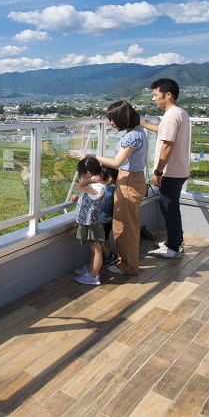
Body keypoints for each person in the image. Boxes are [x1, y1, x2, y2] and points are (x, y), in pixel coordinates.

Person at [93, 101, 149, 275]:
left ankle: (129, 266)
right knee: (129, 225)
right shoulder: (138, 132)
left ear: (122, 117)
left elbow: (118, 162)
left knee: (124, 227)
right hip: (134, 179)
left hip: (129, 181)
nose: (111, 123)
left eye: (113, 119)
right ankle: (128, 262)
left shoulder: (132, 137)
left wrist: (94, 157)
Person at [141, 78, 191, 259]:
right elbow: (162, 130)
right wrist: (141, 123)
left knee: (169, 209)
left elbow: (167, 145)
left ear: (167, 94)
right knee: (172, 208)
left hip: (171, 172)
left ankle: (173, 247)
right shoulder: (180, 113)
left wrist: (158, 171)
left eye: (155, 95)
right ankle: (175, 241)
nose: (154, 99)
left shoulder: (171, 116)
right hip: (180, 169)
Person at [71, 156, 106, 286]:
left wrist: (88, 181)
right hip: (91, 222)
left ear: (89, 174)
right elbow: (84, 194)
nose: (80, 178)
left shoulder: (96, 187)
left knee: (96, 250)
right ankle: (91, 269)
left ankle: (93, 276)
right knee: (93, 249)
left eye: (82, 175)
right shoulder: (94, 186)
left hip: (91, 223)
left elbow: (79, 187)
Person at [100, 166, 119, 267]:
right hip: (109, 219)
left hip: (103, 219)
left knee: (100, 240)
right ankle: (106, 257)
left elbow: (102, 203)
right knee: (106, 238)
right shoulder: (117, 189)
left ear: (110, 178)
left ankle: (108, 256)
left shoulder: (109, 190)